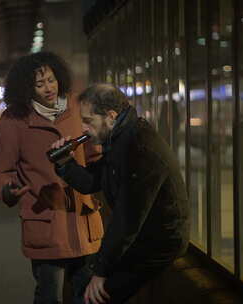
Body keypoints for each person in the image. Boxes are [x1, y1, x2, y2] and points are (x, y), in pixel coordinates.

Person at [51, 84, 189, 304]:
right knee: (82, 285)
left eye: (88, 121)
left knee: (92, 297)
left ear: (110, 116)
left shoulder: (139, 148)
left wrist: (101, 272)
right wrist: (65, 164)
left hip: (158, 241)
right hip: (140, 235)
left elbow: (127, 219)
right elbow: (92, 182)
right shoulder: (118, 138)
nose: (83, 129)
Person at [0, 51, 104, 304]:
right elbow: (3, 172)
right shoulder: (13, 119)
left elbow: (94, 155)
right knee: (49, 297)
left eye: (51, 80)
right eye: (39, 84)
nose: (48, 88)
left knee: (88, 296)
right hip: (46, 223)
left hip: (83, 219)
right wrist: (8, 190)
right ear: (26, 88)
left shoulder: (77, 107)